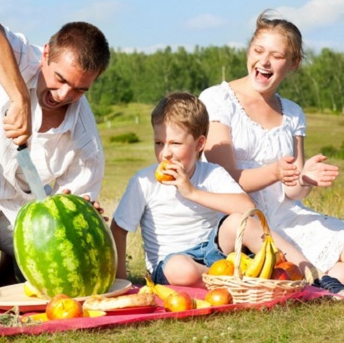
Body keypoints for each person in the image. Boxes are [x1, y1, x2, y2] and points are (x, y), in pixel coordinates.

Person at [0, 19, 110, 296]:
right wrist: (20, 98)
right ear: (46, 53)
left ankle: (12, 261)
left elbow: (68, 215)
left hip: (22, 212)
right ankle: (10, 262)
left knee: (66, 280)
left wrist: (80, 210)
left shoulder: (86, 141)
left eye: (80, 89)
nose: (64, 95)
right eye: (60, 79)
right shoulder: (23, 57)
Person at [199, 10, 344, 292]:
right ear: (249, 50)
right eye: (258, 50)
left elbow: (292, 192)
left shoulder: (292, 113)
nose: (264, 61)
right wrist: (276, 171)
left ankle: (326, 281)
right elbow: (227, 180)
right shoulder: (218, 100)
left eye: (276, 56)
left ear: (293, 64)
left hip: (288, 215)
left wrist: (303, 180)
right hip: (243, 221)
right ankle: (322, 280)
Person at [111, 92, 319, 287]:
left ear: (199, 144)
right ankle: (236, 281)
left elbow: (246, 206)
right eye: (158, 143)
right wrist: (121, 282)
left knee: (240, 221)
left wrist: (191, 192)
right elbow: (119, 229)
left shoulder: (211, 173)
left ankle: (303, 271)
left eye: (175, 143)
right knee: (179, 268)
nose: (165, 153)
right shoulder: (144, 181)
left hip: (216, 253)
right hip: (171, 264)